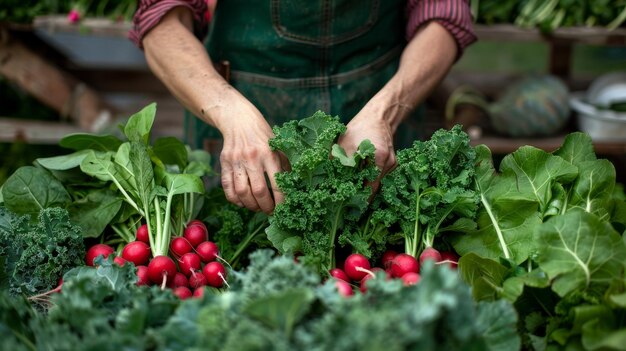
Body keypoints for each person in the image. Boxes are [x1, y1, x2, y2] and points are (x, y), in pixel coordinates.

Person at [129, 0, 476, 215]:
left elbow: (444, 13)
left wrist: (384, 112)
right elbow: (161, 22)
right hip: (244, 112)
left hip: (376, 108)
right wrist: (230, 112)